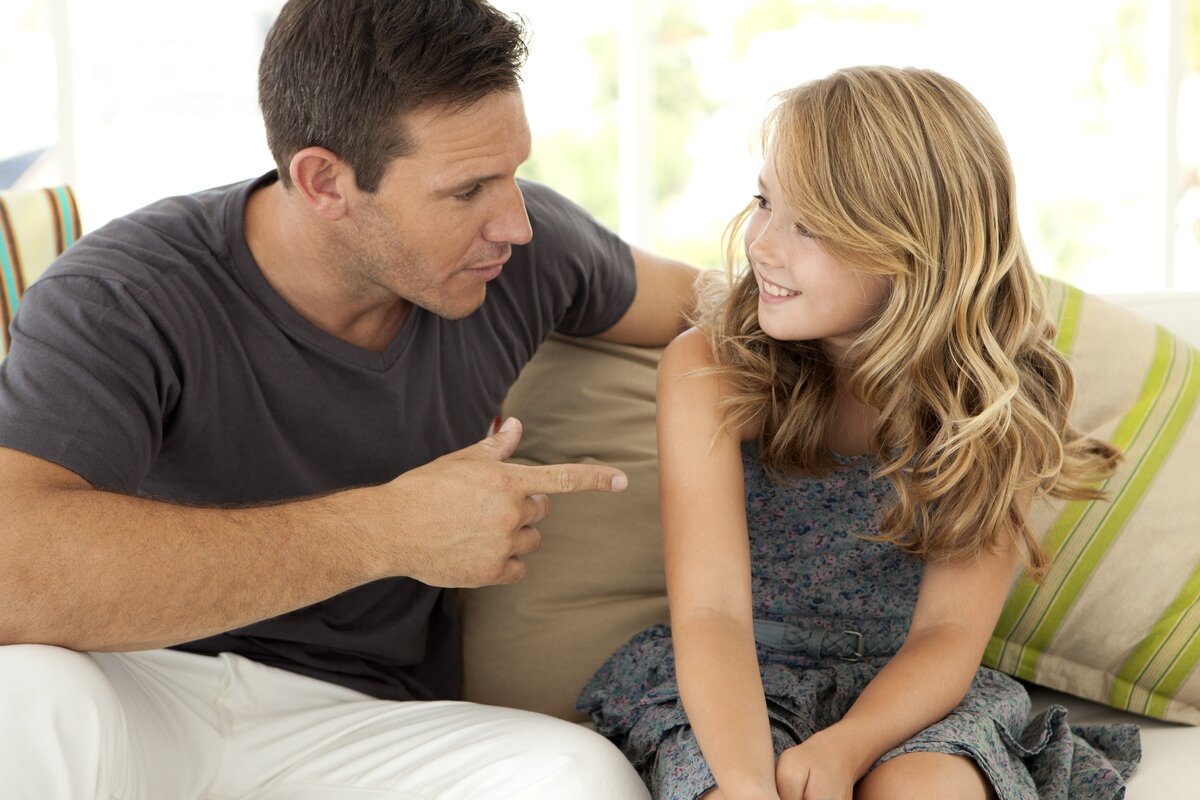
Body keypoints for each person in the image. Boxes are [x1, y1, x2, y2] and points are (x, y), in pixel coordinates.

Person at [0, 1, 697, 798]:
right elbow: (13, 570)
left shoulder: (520, 255)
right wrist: (391, 529)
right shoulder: (123, 295)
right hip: (140, 687)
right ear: (324, 180)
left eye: (514, 172)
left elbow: (724, 308)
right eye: (468, 189)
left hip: (368, 728)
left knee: (580, 775)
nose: (515, 222)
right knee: (22, 698)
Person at [578, 66, 1141, 800]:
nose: (764, 245)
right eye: (763, 201)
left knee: (929, 790)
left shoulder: (1001, 395)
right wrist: (749, 785)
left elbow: (945, 636)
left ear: (913, 249)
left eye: (808, 225)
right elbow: (711, 614)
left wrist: (849, 747)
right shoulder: (710, 368)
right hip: (737, 679)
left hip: (911, 689)